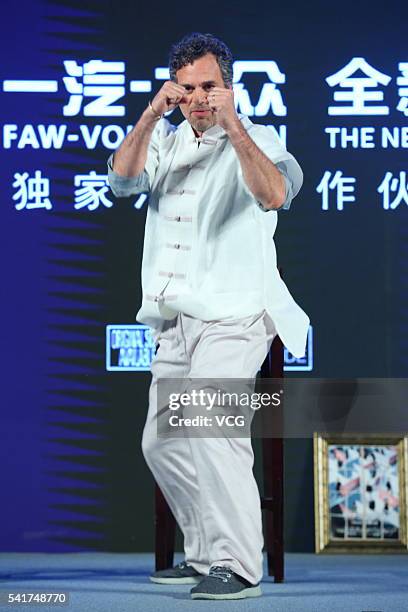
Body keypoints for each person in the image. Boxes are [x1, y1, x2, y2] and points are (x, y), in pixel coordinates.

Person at [108, 32, 309, 600]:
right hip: (174, 317)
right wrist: (150, 115)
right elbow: (121, 181)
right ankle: (206, 556)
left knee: (209, 429)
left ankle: (241, 567)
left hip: (236, 312)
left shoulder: (261, 137)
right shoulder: (165, 141)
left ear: (229, 87)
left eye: (211, 87)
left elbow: (274, 194)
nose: (200, 98)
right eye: (189, 88)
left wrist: (236, 128)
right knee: (162, 442)